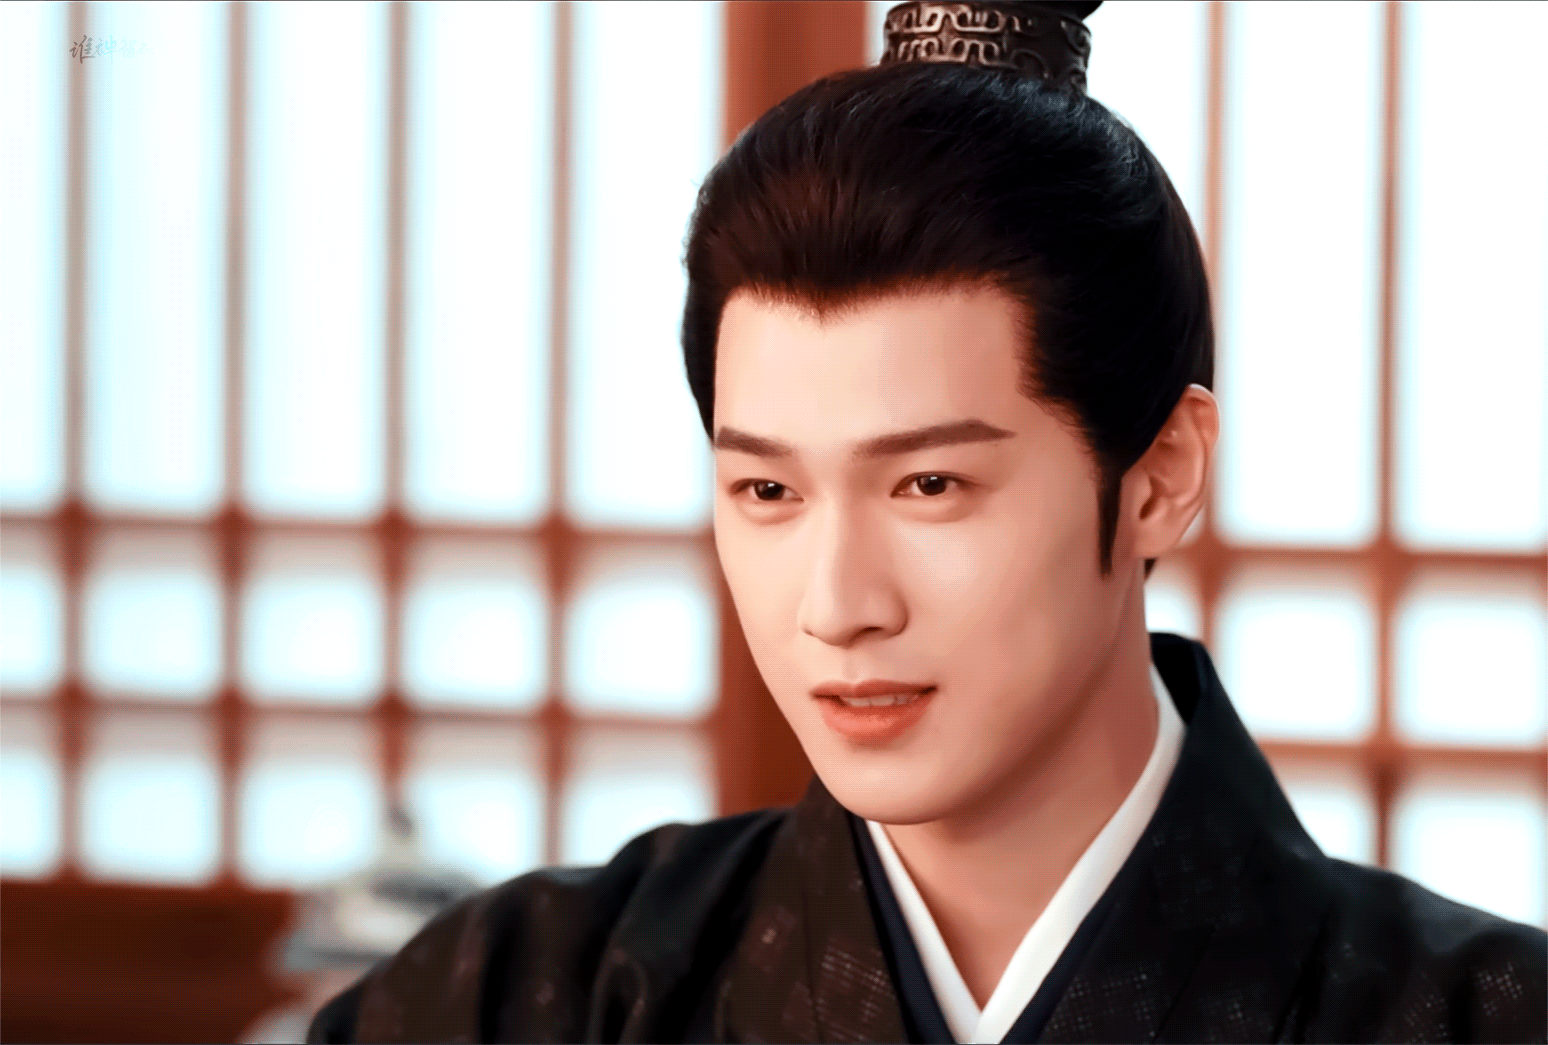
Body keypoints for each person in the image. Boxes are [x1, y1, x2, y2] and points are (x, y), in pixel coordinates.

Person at [308, 2, 1547, 1041]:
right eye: (770, 492)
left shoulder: (1483, 1016)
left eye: (930, 486)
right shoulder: (520, 995)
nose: (838, 605)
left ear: (1160, 476)